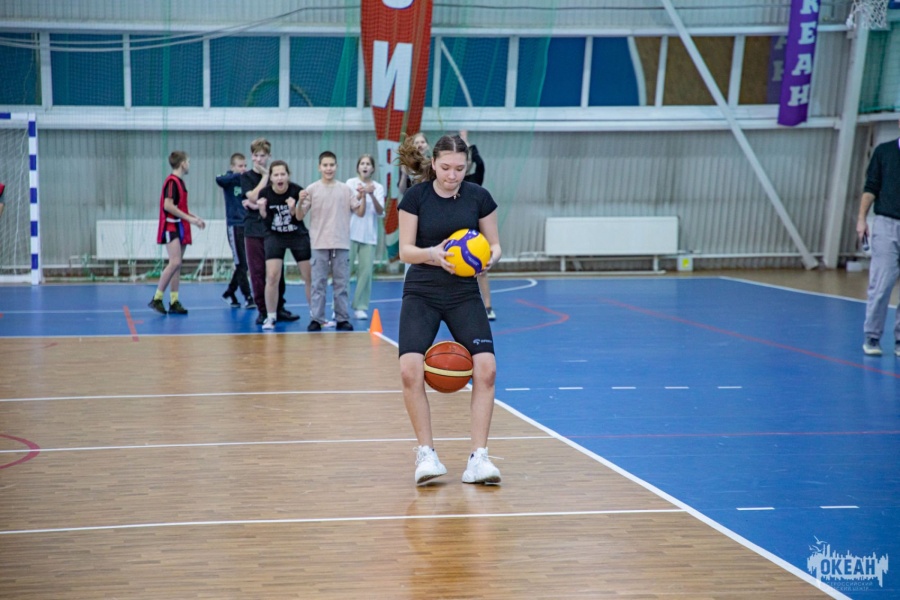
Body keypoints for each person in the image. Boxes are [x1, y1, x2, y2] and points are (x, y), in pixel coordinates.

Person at [396, 134, 502, 486]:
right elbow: (405, 251)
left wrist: (488, 259)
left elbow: (495, 245)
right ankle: (426, 454)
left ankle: (479, 458)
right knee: (410, 370)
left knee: (486, 369)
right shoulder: (416, 197)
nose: (452, 175)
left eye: (459, 168)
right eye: (445, 168)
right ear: (433, 163)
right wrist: (433, 254)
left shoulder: (479, 197)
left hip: (463, 292)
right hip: (422, 290)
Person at [241, 138, 302, 326]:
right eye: (256, 155)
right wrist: (265, 177)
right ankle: (263, 310)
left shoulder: (277, 177)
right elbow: (253, 196)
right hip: (254, 230)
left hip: (275, 230)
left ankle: (278, 308)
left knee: (276, 272)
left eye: (263, 155)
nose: (259, 159)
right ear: (251, 156)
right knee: (258, 272)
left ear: (269, 156)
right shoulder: (247, 177)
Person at [304, 151, 363, 332]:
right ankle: (316, 318)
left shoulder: (345, 189)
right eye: (325, 165)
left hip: (341, 243)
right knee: (318, 284)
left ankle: (342, 318)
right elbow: (299, 214)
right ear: (319, 167)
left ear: (336, 166)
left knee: (341, 284)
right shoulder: (312, 189)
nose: (328, 168)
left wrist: (364, 196)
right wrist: (297, 203)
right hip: (319, 243)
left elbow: (359, 212)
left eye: (331, 165)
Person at [858, 120, 900, 357]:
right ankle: (872, 336)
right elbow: (871, 187)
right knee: (882, 284)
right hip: (887, 224)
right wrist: (861, 220)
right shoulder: (884, 152)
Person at [148, 151, 205, 315]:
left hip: (180, 227)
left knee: (177, 265)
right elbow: (168, 205)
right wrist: (190, 219)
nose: (189, 164)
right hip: (171, 227)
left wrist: (194, 217)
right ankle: (157, 298)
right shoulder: (172, 182)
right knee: (174, 262)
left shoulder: (180, 182)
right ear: (182, 163)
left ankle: (174, 300)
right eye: (188, 161)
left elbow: (181, 207)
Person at [257, 160, 311, 331]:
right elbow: (266, 221)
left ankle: (316, 314)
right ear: (271, 177)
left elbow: (300, 217)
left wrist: (294, 208)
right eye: (276, 175)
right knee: (272, 276)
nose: (280, 178)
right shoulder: (264, 194)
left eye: (283, 174)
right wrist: (262, 211)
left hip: (297, 234)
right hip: (275, 235)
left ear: (288, 175)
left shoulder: (297, 191)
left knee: (309, 276)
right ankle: (271, 316)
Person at [459, 130, 496, 321]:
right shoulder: (452, 183)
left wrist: (468, 144)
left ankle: (488, 306)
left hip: (475, 234)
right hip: (457, 233)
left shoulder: (475, 180)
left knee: (481, 271)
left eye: (466, 161)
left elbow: (480, 163)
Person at [346, 154, 385, 320]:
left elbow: (380, 211)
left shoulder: (378, 187)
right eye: (362, 163)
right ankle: (339, 307)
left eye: (368, 164)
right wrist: (360, 195)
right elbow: (347, 206)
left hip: (369, 236)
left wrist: (371, 195)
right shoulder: (350, 183)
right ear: (358, 167)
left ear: (373, 168)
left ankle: (360, 306)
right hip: (349, 234)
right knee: (344, 271)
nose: (365, 166)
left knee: (365, 273)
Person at [215, 153, 254, 309]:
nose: (243, 168)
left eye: (245, 166)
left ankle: (229, 292)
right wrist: (237, 175)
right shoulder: (229, 179)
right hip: (234, 225)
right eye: (240, 166)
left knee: (245, 263)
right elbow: (219, 179)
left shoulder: (247, 181)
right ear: (233, 167)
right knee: (241, 263)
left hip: (247, 224)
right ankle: (248, 296)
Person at [397, 132, 429, 196]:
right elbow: (401, 191)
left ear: (427, 146)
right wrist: (404, 174)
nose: (420, 145)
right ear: (412, 147)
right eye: (416, 143)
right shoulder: (406, 164)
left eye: (422, 142)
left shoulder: (432, 163)